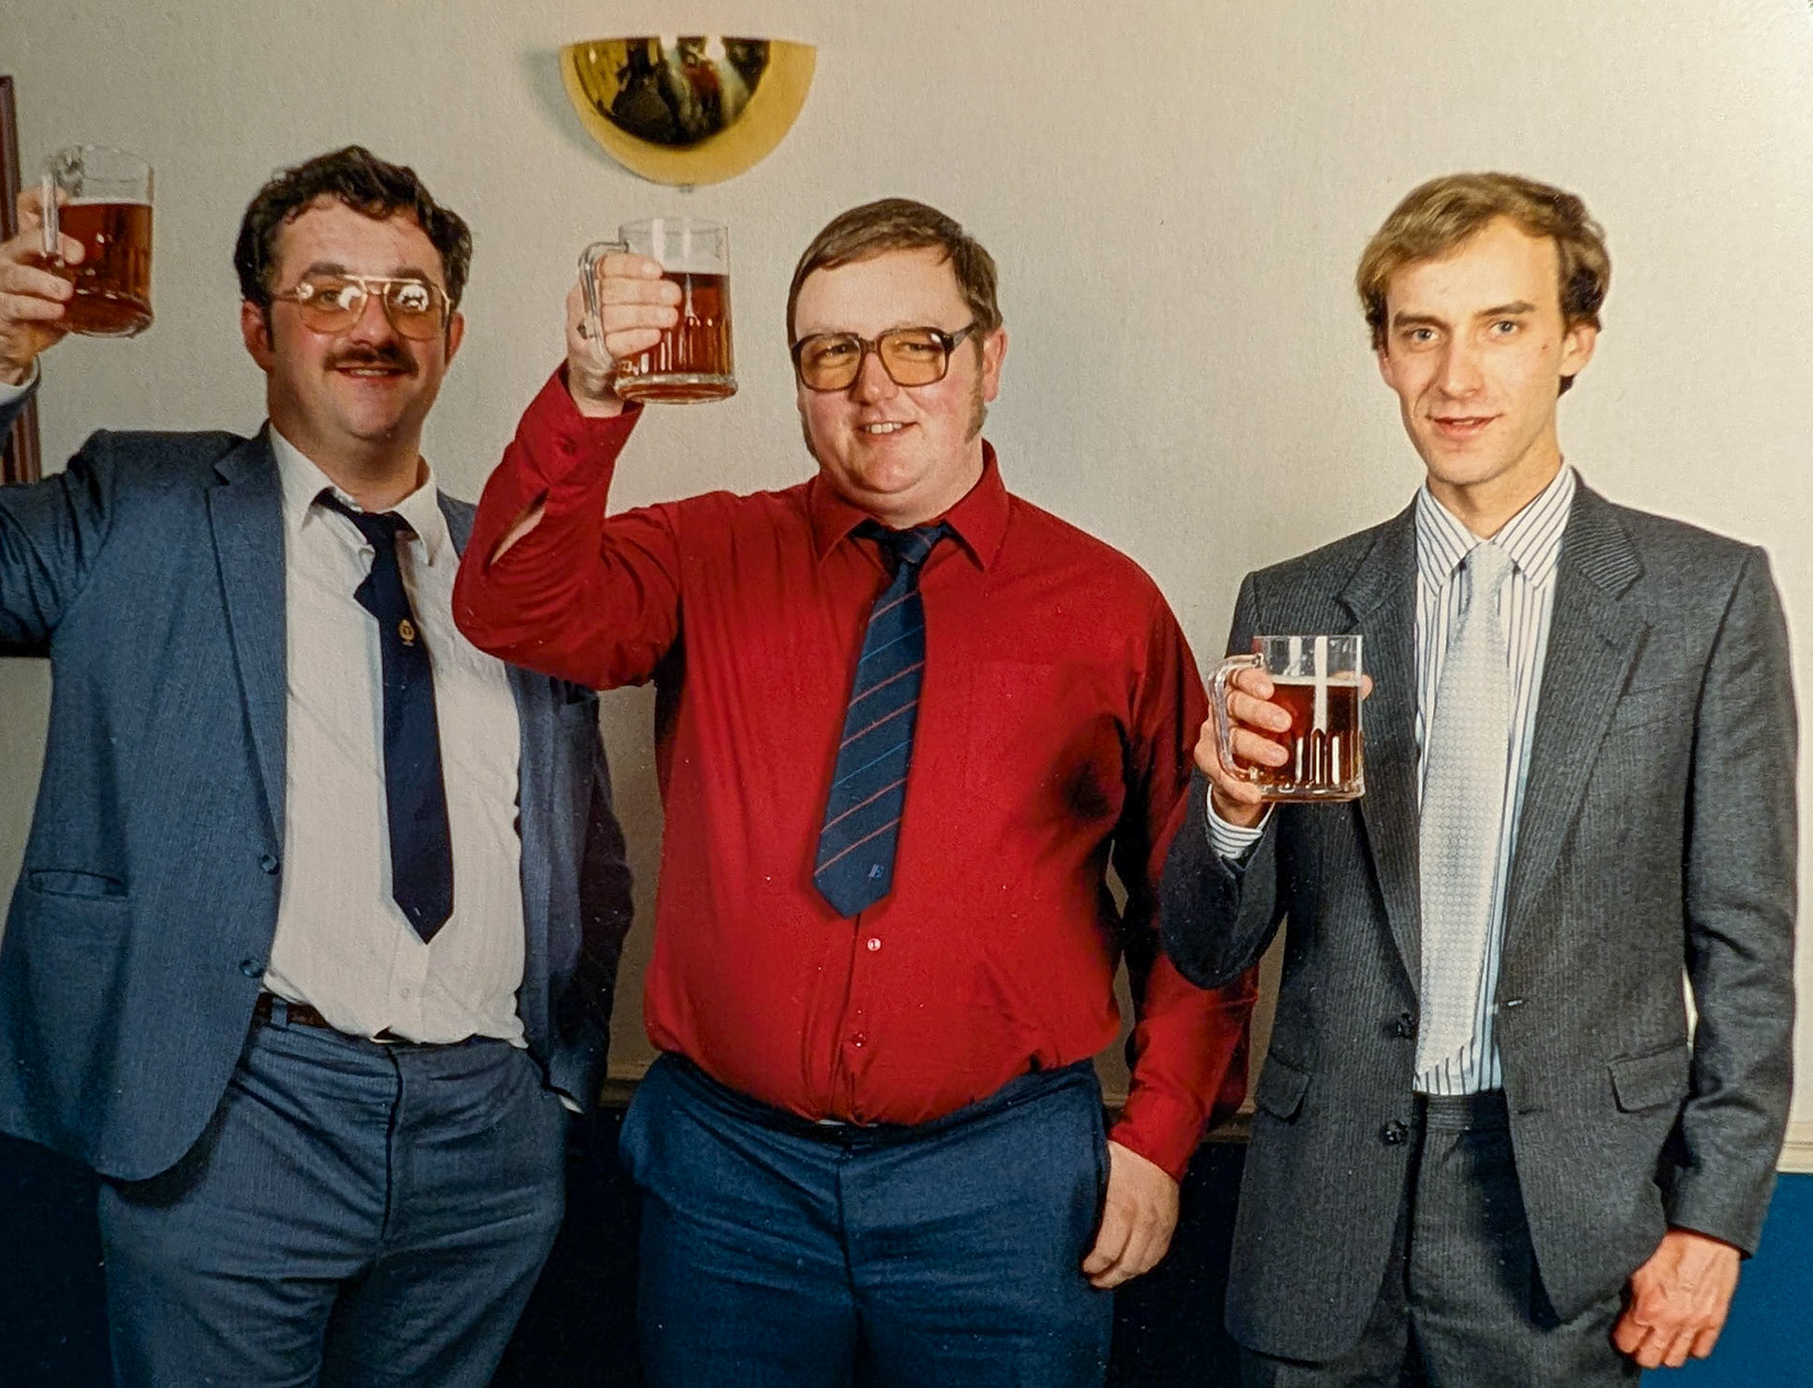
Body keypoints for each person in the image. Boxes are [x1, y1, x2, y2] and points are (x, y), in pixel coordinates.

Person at [451, 197, 1255, 1386]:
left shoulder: (1107, 605)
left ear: (987, 359)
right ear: (797, 382)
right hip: (731, 1179)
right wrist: (589, 395)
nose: (874, 389)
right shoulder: (705, 554)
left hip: (1005, 1185)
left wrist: (1161, 1135)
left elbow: (1198, 903)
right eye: (830, 353)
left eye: (915, 345)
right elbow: (509, 604)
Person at [0, 145, 633, 1388]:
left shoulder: (512, 561)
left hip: (486, 1140)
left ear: (450, 334)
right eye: (328, 289)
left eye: (409, 296)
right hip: (238, 1118)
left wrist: (547, 1088)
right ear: (256, 327)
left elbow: (581, 844)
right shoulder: (137, 501)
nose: (372, 326)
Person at [1162, 171, 1796, 1385]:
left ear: (1576, 341)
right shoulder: (1294, 603)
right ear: (1386, 358)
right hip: (1317, 1212)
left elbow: (1749, 952)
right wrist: (1229, 815)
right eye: (1422, 332)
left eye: (1502, 326)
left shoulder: (1701, 604)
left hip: (1562, 1228)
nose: (1459, 376)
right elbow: (1204, 947)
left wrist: (1713, 1219)